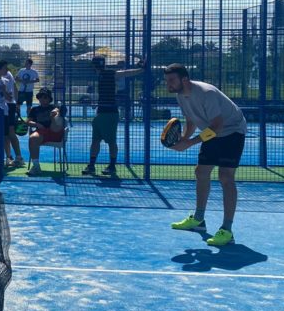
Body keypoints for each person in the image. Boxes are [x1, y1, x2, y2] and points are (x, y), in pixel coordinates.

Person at [163, 63, 248, 247]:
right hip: (212, 132)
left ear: (184, 79)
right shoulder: (180, 96)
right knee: (201, 172)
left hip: (232, 131)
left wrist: (191, 142)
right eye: (166, 80)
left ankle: (227, 230)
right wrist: (183, 140)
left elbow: (217, 126)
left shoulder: (206, 93)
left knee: (225, 177)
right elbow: (191, 120)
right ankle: (199, 220)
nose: (167, 84)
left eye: (171, 80)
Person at [82, 54, 144, 177]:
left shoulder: (109, 73)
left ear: (95, 65)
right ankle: (91, 166)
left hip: (110, 112)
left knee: (111, 141)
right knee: (95, 140)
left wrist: (140, 68)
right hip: (101, 112)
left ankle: (112, 166)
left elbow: (125, 73)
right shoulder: (99, 75)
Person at [25, 88, 64, 175]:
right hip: (42, 132)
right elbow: (28, 121)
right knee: (32, 138)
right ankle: (36, 166)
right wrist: (36, 124)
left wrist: (55, 112)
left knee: (55, 122)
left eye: (45, 97)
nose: (43, 99)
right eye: (41, 97)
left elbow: (58, 111)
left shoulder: (54, 107)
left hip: (55, 132)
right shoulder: (34, 110)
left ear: (49, 99)